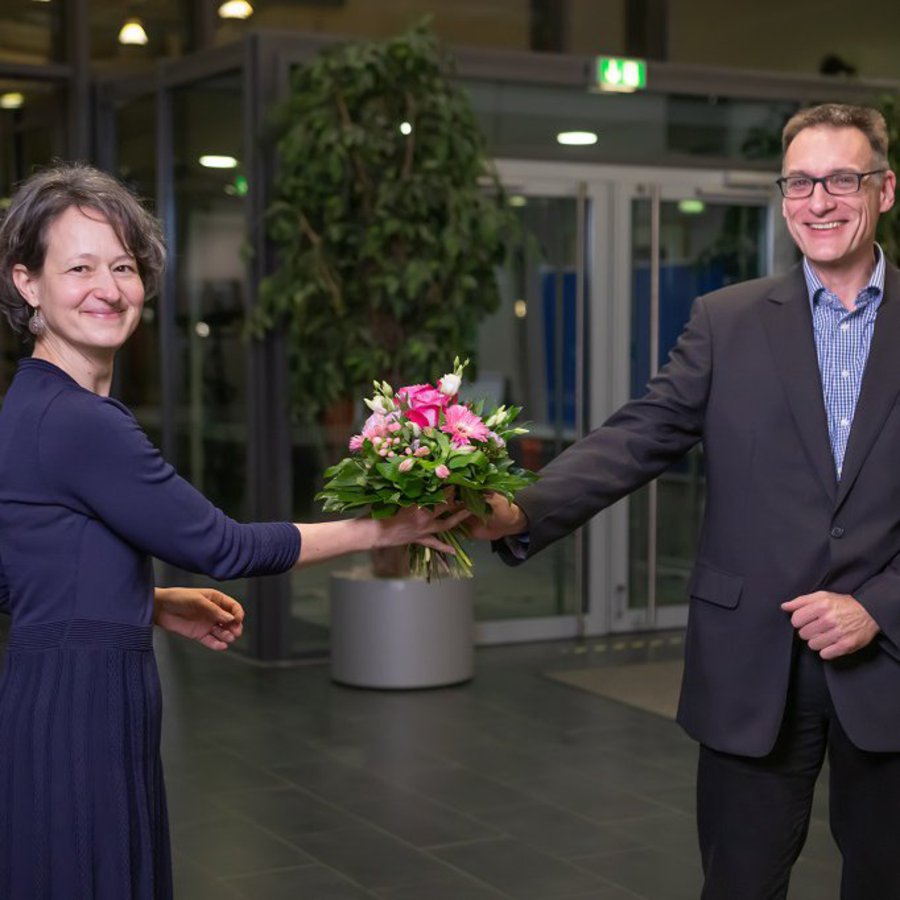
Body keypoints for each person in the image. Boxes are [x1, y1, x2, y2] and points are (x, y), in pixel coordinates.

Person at [0, 162, 464, 899]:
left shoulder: (28, 403)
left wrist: (147, 603)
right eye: (79, 267)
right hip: (84, 708)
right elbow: (222, 546)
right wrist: (379, 530)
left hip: (53, 696)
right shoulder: (80, 421)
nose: (108, 288)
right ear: (27, 283)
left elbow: (17, 575)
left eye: (123, 267)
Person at [474, 103, 899, 900]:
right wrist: (522, 510)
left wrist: (879, 606)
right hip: (751, 662)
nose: (819, 202)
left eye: (842, 180)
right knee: (739, 883)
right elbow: (641, 434)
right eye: (800, 182)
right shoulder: (727, 321)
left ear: (884, 189)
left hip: (890, 661)